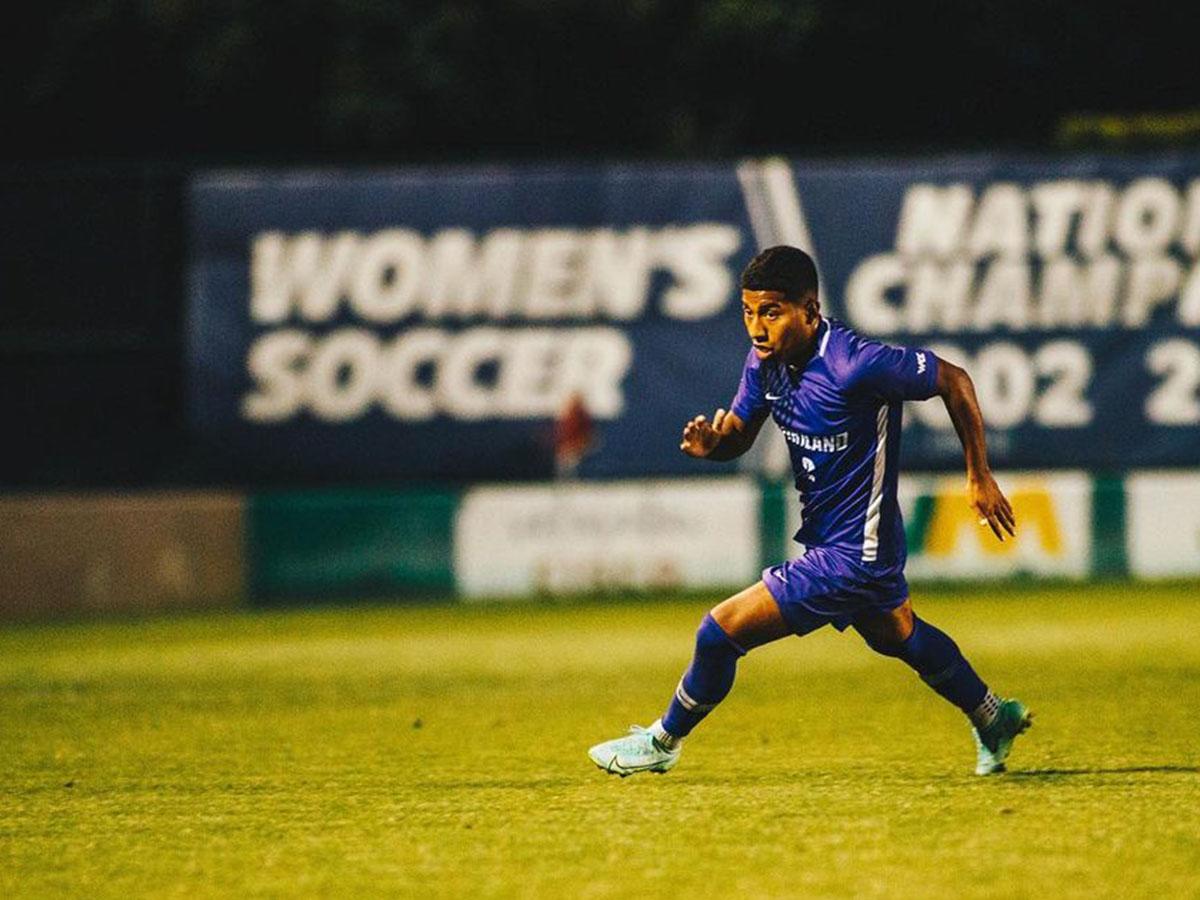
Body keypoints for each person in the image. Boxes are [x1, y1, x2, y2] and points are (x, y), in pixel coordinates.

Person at [587, 245, 1031, 777]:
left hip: (854, 554)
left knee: (720, 630)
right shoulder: (765, 362)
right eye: (749, 311)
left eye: (771, 312)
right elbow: (739, 436)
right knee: (899, 635)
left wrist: (978, 475)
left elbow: (953, 378)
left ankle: (662, 742)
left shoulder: (856, 363)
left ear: (810, 311)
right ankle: (991, 715)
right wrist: (715, 445)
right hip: (843, 541)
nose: (756, 326)